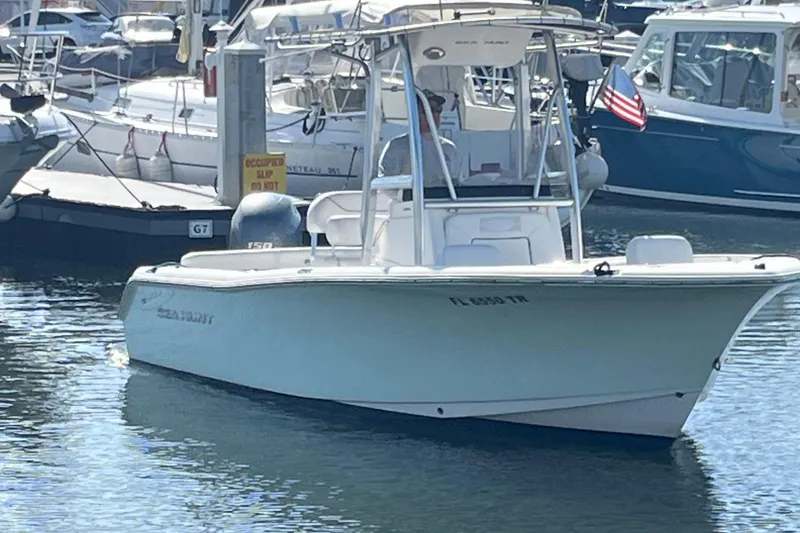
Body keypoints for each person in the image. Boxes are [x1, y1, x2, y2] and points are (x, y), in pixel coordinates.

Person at [377, 89, 463, 186]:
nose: (435, 115)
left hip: (440, 200)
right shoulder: (397, 146)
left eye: (438, 110)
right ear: (414, 113)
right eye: (428, 110)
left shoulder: (449, 148)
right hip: (409, 200)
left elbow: (456, 183)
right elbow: (386, 185)